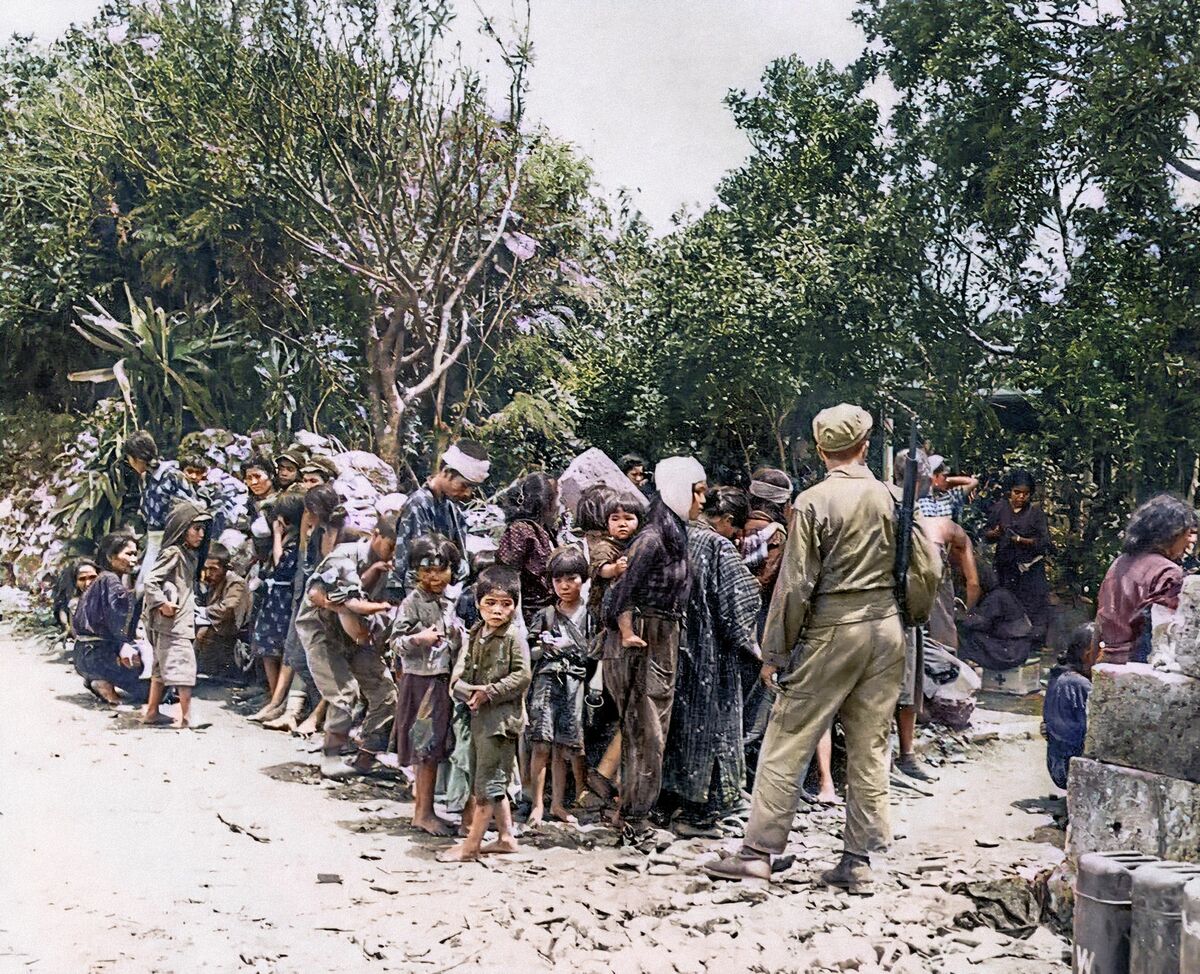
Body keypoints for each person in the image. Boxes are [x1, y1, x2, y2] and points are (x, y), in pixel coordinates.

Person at [706, 404, 941, 891]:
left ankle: (757, 853)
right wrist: (909, 616)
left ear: (820, 449)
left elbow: (795, 585)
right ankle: (858, 862)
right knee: (871, 744)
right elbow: (929, 569)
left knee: (786, 738)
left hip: (834, 627)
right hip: (887, 628)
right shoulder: (894, 498)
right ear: (863, 445)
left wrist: (775, 651)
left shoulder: (812, 502)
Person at [601, 456, 704, 851]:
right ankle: (635, 821)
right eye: (697, 492)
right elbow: (617, 599)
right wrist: (630, 631)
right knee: (647, 732)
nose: (701, 501)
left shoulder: (673, 533)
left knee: (650, 730)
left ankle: (634, 814)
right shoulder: (652, 539)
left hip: (661, 638)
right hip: (645, 641)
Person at [662, 488, 761, 832]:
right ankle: (701, 809)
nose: (738, 537)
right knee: (712, 728)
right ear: (729, 521)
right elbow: (741, 603)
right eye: (738, 530)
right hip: (709, 653)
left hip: (669, 646)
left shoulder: (674, 533)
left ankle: (670, 803)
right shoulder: (717, 546)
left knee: (677, 728)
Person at [438, 565, 531, 862]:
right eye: (490, 603)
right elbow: (460, 675)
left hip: (501, 722)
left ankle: (471, 846)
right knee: (490, 780)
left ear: (515, 607)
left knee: (487, 786)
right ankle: (505, 838)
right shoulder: (477, 633)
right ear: (478, 603)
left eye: (506, 604)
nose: (498, 611)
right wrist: (467, 692)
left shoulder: (514, 637)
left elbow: (522, 676)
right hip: (479, 718)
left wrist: (488, 691)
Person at [296, 514, 398, 778]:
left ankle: (364, 758)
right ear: (376, 535)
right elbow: (323, 595)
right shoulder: (344, 556)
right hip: (324, 632)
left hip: (359, 635)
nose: (395, 553)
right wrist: (380, 607)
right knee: (344, 695)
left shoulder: (393, 566)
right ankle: (330, 758)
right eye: (391, 545)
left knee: (386, 693)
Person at [391, 533, 464, 836]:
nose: (433, 577)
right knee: (425, 748)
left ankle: (427, 809)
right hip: (421, 683)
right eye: (426, 570)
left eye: (440, 569)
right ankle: (422, 813)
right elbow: (395, 642)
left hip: (442, 680)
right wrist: (418, 639)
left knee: (434, 748)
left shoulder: (451, 600)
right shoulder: (412, 602)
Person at [526, 547, 593, 826]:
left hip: (575, 683)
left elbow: (596, 649)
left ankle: (558, 804)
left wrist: (574, 646)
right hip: (545, 681)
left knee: (565, 747)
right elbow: (528, 650)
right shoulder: (545, 614)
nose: (564, 586)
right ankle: (536, 805)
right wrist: (542, 646)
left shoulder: (590, 614)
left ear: (583, 579)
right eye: (557, 580)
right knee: (541, 743)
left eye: (571, 578)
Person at [1096, 494, 1198, 665]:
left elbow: (1100, 620)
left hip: (1108, 662)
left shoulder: (1120, 562)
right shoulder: (1167, 571)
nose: (1190, 541)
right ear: (1171, 533)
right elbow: (1164, 634)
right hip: (1141, 665)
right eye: (1187, 533)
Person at [142, 499, 212, 728]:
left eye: (203, 529)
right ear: (182, 529)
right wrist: (162, 603)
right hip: (174, 621)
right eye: (196, 528)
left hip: (175, 620)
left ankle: (152, 711)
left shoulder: (187, 554)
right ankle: (188, 716)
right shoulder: (174, 553)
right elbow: (150, 581)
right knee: (184, 663)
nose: (201, 534)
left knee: (161, 668)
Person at [390, 440, 491, 598]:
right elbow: (416, 569)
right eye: (464, 485)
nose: (468, 494)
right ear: (447, 472)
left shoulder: (451, 508)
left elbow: (459, 558)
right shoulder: (419, 505)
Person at [248, 491, 304, 721]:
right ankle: (274, 697)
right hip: (276, 596)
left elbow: (282, 564)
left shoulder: (294, 541)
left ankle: (278, 700)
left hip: (284, 597)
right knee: (267, 646)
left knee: (277, 647)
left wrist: (278, 537)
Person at [72, 533, 146, 705]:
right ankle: (101, 681)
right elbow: (117, 614)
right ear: (111, 557)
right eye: (128, 554)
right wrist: (123, 645)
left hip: (84, 653)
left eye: (135, 554)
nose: (134, 559)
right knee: (154, 690)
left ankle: (96, 679)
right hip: (98, 654)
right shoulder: (110, 580)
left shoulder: (104, 579)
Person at [123, 430, 197, 595]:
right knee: (141, 588)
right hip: (154, 541)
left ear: (138, 458)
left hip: (172, 542)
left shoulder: (172, 476)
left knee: (151, 588)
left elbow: (191, 510)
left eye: (130, 458)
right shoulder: (147, 478)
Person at [984, 470, 1051, 645]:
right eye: (1017, 493)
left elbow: (1044, 542)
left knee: (1033, 607)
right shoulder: (1000, 508)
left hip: (1030, 569)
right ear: (1010, 491)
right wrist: (996, 533)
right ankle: (1010, 643)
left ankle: (1033, 646)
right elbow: (986, 534)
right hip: (1006, 568)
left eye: (1025, 494)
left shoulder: (1035, 513)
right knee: (1008, 604)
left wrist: (1020, 540)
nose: (1021, 497)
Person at [497, 472, 560, 627]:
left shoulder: (547, 530)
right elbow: (508, 578)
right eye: (556, 496)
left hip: (547, 614)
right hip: (527, 617)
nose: (560, 503)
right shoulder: (519, 531)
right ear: (545, 500)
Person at [1043, 623, 1098, 788]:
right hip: (1071, 770)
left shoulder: (1058, 675)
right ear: (1088, 654)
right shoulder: (1079, 684)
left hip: (1057, 767)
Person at [959, 563, 1037, 671]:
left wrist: (959, 617)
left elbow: (980, 623)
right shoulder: (1001, 594)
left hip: (1010, 652)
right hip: (1017, 648)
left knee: (965, 635)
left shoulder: (996, 597)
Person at [195, 542, 251, 679]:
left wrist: (204, 611)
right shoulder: (208, 579)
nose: (209, 573)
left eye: (213, 569)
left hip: (231, 631)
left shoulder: (235, 583)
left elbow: (228, 608)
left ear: (226, 567)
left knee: (202, 633)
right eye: (206, 568)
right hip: (215, 625)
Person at [917, 455, 978, 521]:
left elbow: (973, 482)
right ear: (935, 476)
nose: (946, 479)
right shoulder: (923, 502)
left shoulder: (949, 496)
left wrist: (946, 479)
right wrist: (934, 481)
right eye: (944, 476)